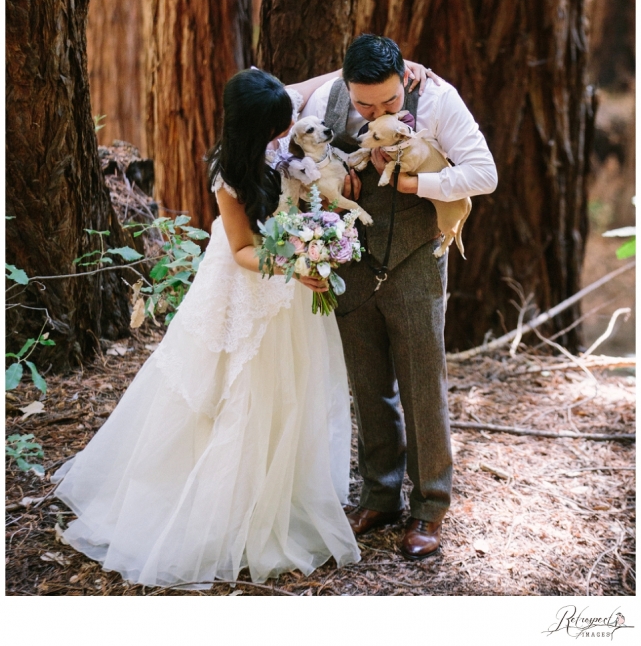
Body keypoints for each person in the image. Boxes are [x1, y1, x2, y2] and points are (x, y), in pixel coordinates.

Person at [53, 61, 429, 589]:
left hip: (288, 290)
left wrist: (361, 70)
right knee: (237, 393)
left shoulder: (274, 136)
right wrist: (298, 263)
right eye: (278, 125)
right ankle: (222, 511)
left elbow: (308, 91)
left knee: (291, 397)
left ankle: (283, 496)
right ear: (257, 128)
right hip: (249, 286)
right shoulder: (230, 177)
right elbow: (242, 250)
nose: (287, 129)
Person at [300, 34, 498, 560]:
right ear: (346, 86)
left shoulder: (438, 98)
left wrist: (415, 186)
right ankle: (380, 496)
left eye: (388, 103)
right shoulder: (325, 100)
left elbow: (485, 174)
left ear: (405, 80)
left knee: (421, 385)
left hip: (416, 259)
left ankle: (430, 506)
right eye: (365, 105)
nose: (375, 113)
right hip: (352, 262)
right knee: (367, 384)